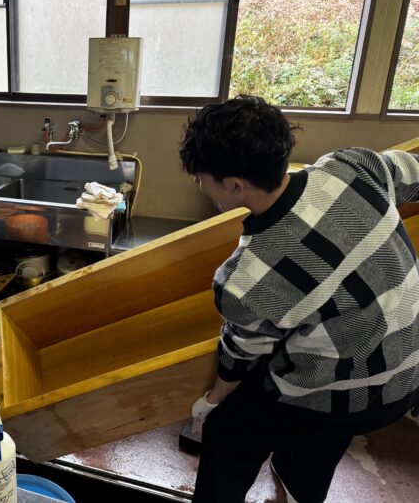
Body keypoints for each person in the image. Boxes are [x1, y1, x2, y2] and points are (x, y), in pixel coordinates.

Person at [178, 95, 419, 503]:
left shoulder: (249, 275)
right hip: (408, 373)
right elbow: (413, 173)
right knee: (317, 436)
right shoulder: (351, 166)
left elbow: (239, 358)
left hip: (350, 393)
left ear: (235, 185)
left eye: (201, 176)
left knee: (228, 431)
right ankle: (298, 484)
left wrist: (210, 401)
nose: (199, 183)